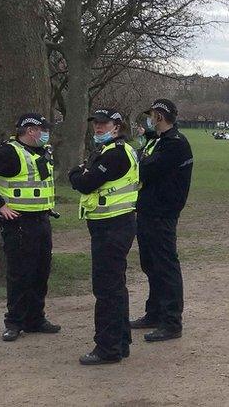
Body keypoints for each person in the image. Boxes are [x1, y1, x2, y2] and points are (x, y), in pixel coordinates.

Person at [0, 113, 59, 342]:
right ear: (30, 130)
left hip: (41, 220)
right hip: (19, 223)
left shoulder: (43, 150)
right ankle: (14, 322)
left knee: (41, 272)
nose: (45, 132)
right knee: (20, 274)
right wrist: (1, 205)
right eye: (42, 128)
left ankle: (35, 319)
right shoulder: (9, 152)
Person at [69, 108, 139, 365]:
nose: (98, 128)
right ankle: (120, 342)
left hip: (112, 226)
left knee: (106, 288)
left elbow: (85, 182)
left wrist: (75, 174)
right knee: (115, 286)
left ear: (117, 126)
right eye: (96, 124)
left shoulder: (116, 155)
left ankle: (107, 348)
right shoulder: (116, 151)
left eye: (104, 124)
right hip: (112, 225)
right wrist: (82, 173)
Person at [131, 99, 193, 344]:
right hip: (148, 210)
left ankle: (171, 321)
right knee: (151, 265)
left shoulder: (174, 145)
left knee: (165, 267)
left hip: (162, 213)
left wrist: (137, 160)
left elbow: (143, 169)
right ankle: (154, 312)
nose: (149, 119)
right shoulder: (157, 142)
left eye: (152, 115)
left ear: (159, 116)